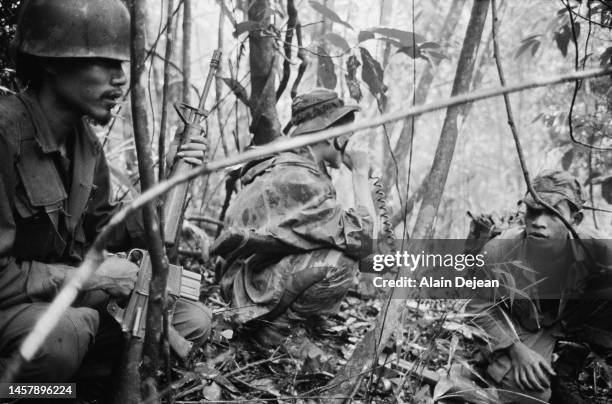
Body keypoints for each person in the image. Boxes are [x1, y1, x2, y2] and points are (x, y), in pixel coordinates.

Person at [0, 0, 211, 391]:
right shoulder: (4, 135)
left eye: (122, 66)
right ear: (51, 61)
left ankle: (69, 388)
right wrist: (87, 277)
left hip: (56, 304)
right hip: (19, 309)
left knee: (188, 321)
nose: (119, 80)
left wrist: (171, 177)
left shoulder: (85, 145)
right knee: (58, 339)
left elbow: (105, 231)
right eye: (105, 63)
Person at [211, 88, 378, 346]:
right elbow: (364, 240)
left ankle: (285, 321)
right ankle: (275, 329)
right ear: (330, 135)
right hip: (246, 287)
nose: (351, 140)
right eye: (348, 132)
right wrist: (359, 173)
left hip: (244, 278)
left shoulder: (293, 165)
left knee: (336, 244)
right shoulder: (301, 179)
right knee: (342, 261)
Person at [467, 170, 612, 403]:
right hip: (516, 328)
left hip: (563, 324)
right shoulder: (499, 250)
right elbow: (478, 308)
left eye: (552, 213)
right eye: (533, 211)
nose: (538, 222)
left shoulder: (597, 249)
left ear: (575, 220)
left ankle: (567, 365)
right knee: (531, 395)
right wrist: (515, 350)